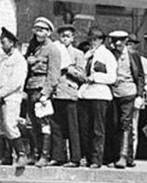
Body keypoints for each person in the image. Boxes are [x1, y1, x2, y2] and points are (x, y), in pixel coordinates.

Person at [23, 17, 62, 167]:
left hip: (42, 89)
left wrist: (46, 93)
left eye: (42, 30)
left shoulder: (52, 49)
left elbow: (54, 74)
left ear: (49, 32)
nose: (39, 32)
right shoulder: (33, 47)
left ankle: (45, 155)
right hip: (31, 87)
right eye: (37, 29)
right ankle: (35, 153)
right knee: (31, 123)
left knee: (44, 123)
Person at [76, 28, 116, 168]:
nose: (93, 42)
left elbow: (112, 77)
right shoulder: (87, 55)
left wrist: (95, 77)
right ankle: (86, 156)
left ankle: (97, 159)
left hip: (100, 94)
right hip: (85, 94)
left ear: (101, 40)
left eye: (96, 39)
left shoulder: (107, 55)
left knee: (98, 129)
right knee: (85, 128)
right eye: (91, 40)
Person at [107, 31, 145, 169]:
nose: (118, 43)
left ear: (126, 41)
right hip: (112, 93)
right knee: (114, 123)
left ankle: (123, 156)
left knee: (125, 123)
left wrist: (139, 95)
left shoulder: (133, 55)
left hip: (128, 92)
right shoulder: (109, 54)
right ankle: (118, 156)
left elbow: (140, 76)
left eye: (121, 40)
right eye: (115, 40)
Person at [0, 27, 28, 167]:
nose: (2, 46)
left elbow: (16, 82)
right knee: (2, 127)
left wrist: (1, 93)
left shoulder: (19, 60)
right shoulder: (4, 59)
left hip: (11, 97)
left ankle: (21, 154)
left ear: (12, 43)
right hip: (0, 98)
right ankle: (7, 156)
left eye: (4, 42)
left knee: (10, 124)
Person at [50, 24, 84, 167]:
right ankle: (58, 156)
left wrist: (69, 69)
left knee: (72, 127)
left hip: (70, 93)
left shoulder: (77, 54)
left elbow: (82, 76)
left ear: (73, 38)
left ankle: (75, 158)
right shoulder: (55, 51)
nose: (65, 39)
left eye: (68, 36)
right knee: (56, 126)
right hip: (56, 92)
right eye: (62, 36)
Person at [126, 36, 147, 162]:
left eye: (132, 44)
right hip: (122, 94)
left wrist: (141, 95)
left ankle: (132, 154)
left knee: (133, 127)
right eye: (128, 43)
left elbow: (146, 79)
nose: (130, 46)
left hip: (135, 94)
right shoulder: (119, 57)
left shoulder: (142, 60)